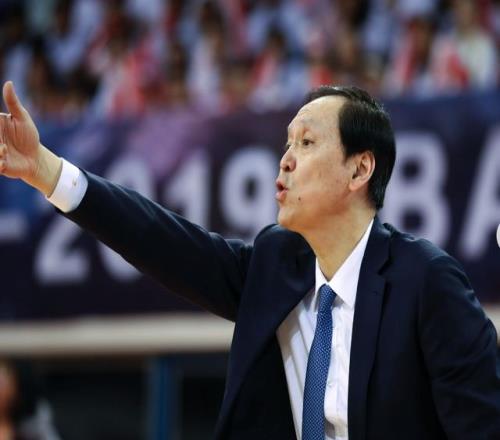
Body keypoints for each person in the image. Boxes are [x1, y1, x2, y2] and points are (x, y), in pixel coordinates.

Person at [0, 80, 499, 440]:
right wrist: (47, 172)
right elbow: (159, 239)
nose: (286, 158)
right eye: (287, 143)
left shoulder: (426, 282)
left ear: (359, 169)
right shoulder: (274, 264)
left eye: (307, 142)